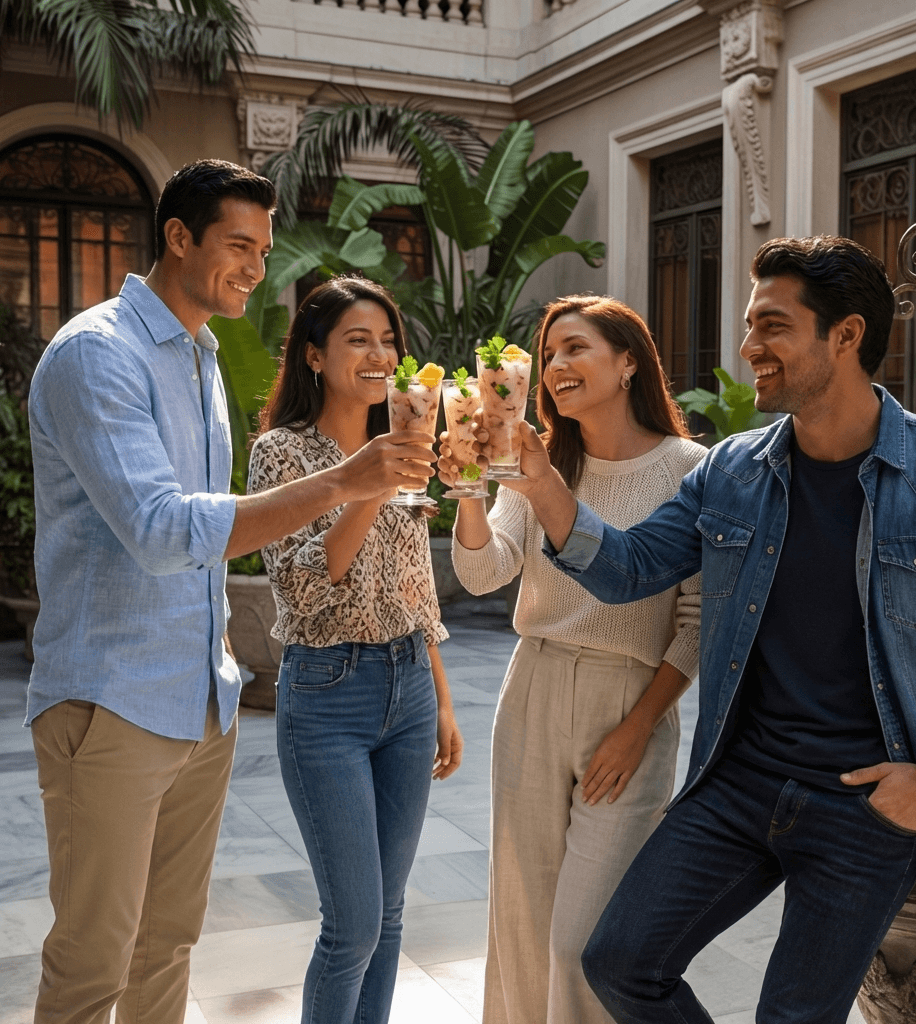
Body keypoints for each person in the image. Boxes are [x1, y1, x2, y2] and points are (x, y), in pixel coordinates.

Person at [501, 235, 916, 1023]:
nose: (749, 348)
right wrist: (539, 479)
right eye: (751, 326)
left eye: (773, 327)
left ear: (845, 336)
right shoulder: (733, 470)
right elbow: (630, 568)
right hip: (740, 784)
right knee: (617, 963)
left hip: (866, 805)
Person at [26, 161, 435, 1024]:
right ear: (180, 236)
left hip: (198, 702)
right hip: (111, 700)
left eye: (264, 249)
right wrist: (346, 484)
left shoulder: (201, 358)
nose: (256, 267)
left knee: (167, 945)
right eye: (238, 246)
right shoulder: (97, 354)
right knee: (94, 961)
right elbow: (164, 529)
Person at [439, 295, 705, 1024]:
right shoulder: (544, 463)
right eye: (549, 353)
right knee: (521, 919)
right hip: (534, 685)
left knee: (582, 941)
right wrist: (469, 486)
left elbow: (696, 620)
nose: (556, 366)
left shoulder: (691, 469)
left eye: (575, 348)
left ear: (628, 363)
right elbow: (486, 572)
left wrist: (640, 726)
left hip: (632, 703)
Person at [247, 275, 463, 1024]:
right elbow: (307, 588)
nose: (379, 355)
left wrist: (440, 694)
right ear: (314, 356)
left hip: (408, 685)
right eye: (356, 339)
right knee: (353, 927)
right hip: (327, 694)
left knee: (393, 913)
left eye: (388, 341)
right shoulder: (280, 454)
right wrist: (371, 480)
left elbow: (415, 580)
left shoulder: (407, 444)